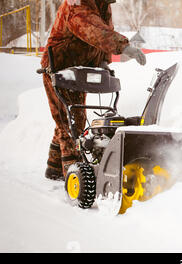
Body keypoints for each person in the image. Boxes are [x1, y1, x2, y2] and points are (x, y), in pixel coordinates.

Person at [41, 0, 146, 181]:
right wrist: (124, 46)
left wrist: (104, 60)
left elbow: (105, 29)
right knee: (69, 122)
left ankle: (54, 168)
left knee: (69, 117)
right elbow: (94, 31)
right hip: (59, 67)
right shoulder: (77, 4)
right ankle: (74, 176)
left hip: (80, 69)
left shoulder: (103, 5)